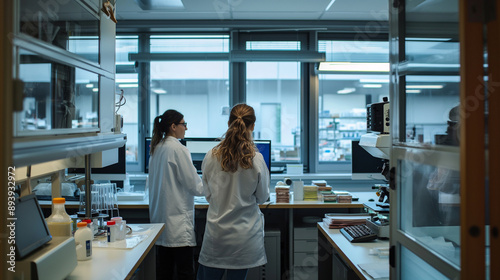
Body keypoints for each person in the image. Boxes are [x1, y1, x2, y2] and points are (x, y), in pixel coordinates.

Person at [197, 104, 270, 280]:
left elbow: (207, 194)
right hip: (244, 238)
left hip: (218, 236)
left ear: (229, 122)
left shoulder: (211, 156)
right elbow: (262, 197)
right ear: (253, 126)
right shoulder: (256, 159)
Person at [147, 109, 203, 280]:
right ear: (173, 126)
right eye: (183, 124)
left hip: (161, 225)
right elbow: (195, 187)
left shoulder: (157, 148)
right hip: (177, 226)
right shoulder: (178, 149)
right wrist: (215, 185)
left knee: (164, 273)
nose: (185, 128)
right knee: (185, 273)